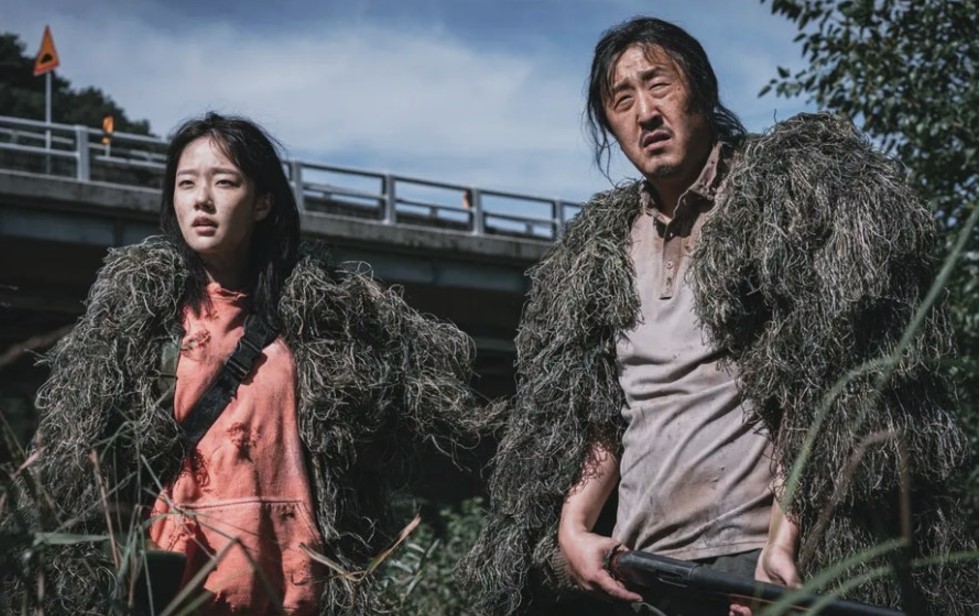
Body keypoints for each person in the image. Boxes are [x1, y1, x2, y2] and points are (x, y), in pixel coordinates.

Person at [465, 16, 978, 616]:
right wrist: (573, 526)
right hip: (645, 568)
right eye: (622, 100)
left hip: (753, 565)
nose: (645, 113)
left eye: (659, 85)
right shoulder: (599, 251)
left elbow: (821, 387)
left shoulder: (782, 206)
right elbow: (599, 410)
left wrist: (783, 546)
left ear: (702, 92)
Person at [1, 112, 482, 615]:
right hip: (183, 585)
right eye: (186, 184)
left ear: (263, 202)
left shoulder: (322, 318)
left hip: (295, 584)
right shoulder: (139, 321)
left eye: (224, 182)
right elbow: (83, 465)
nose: (201, 200)